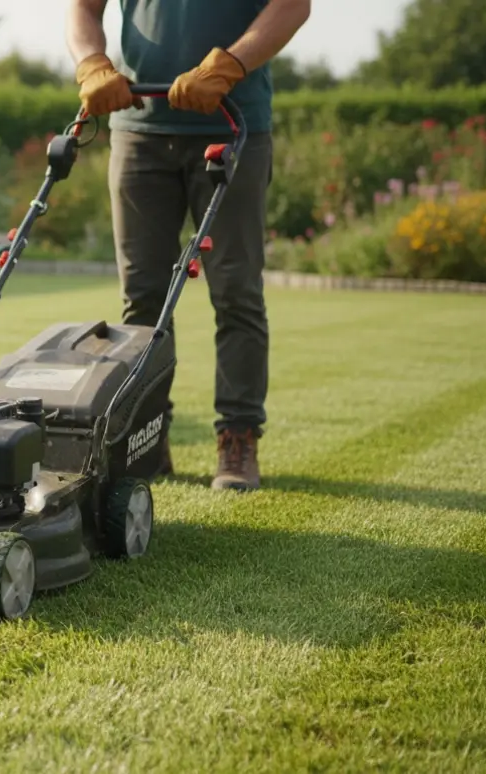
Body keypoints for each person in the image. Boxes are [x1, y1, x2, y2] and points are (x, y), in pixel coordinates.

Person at [65, 0, 311, 492]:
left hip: (232, 126)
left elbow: (293, 6)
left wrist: (230, 65)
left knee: (236, 291)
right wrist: (93, 63)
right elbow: (83, 8)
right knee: (143, 300)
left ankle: (238, 441)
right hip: (139, 131)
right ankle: (145, 439)